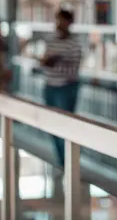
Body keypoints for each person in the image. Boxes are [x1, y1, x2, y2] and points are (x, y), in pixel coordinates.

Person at [40, 9, 82, 166]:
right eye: (57, 20)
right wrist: (50, 62)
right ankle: (61, 160)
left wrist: (55, 63)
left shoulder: (74, 43)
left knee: (65, 125)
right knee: (51, 124)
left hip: (65, 88)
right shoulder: (50, 40)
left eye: (62, 21)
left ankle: (68, 161)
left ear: (69, 23)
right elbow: (44, 62)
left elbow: (74, 70)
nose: (58, 24)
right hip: (50, 86)